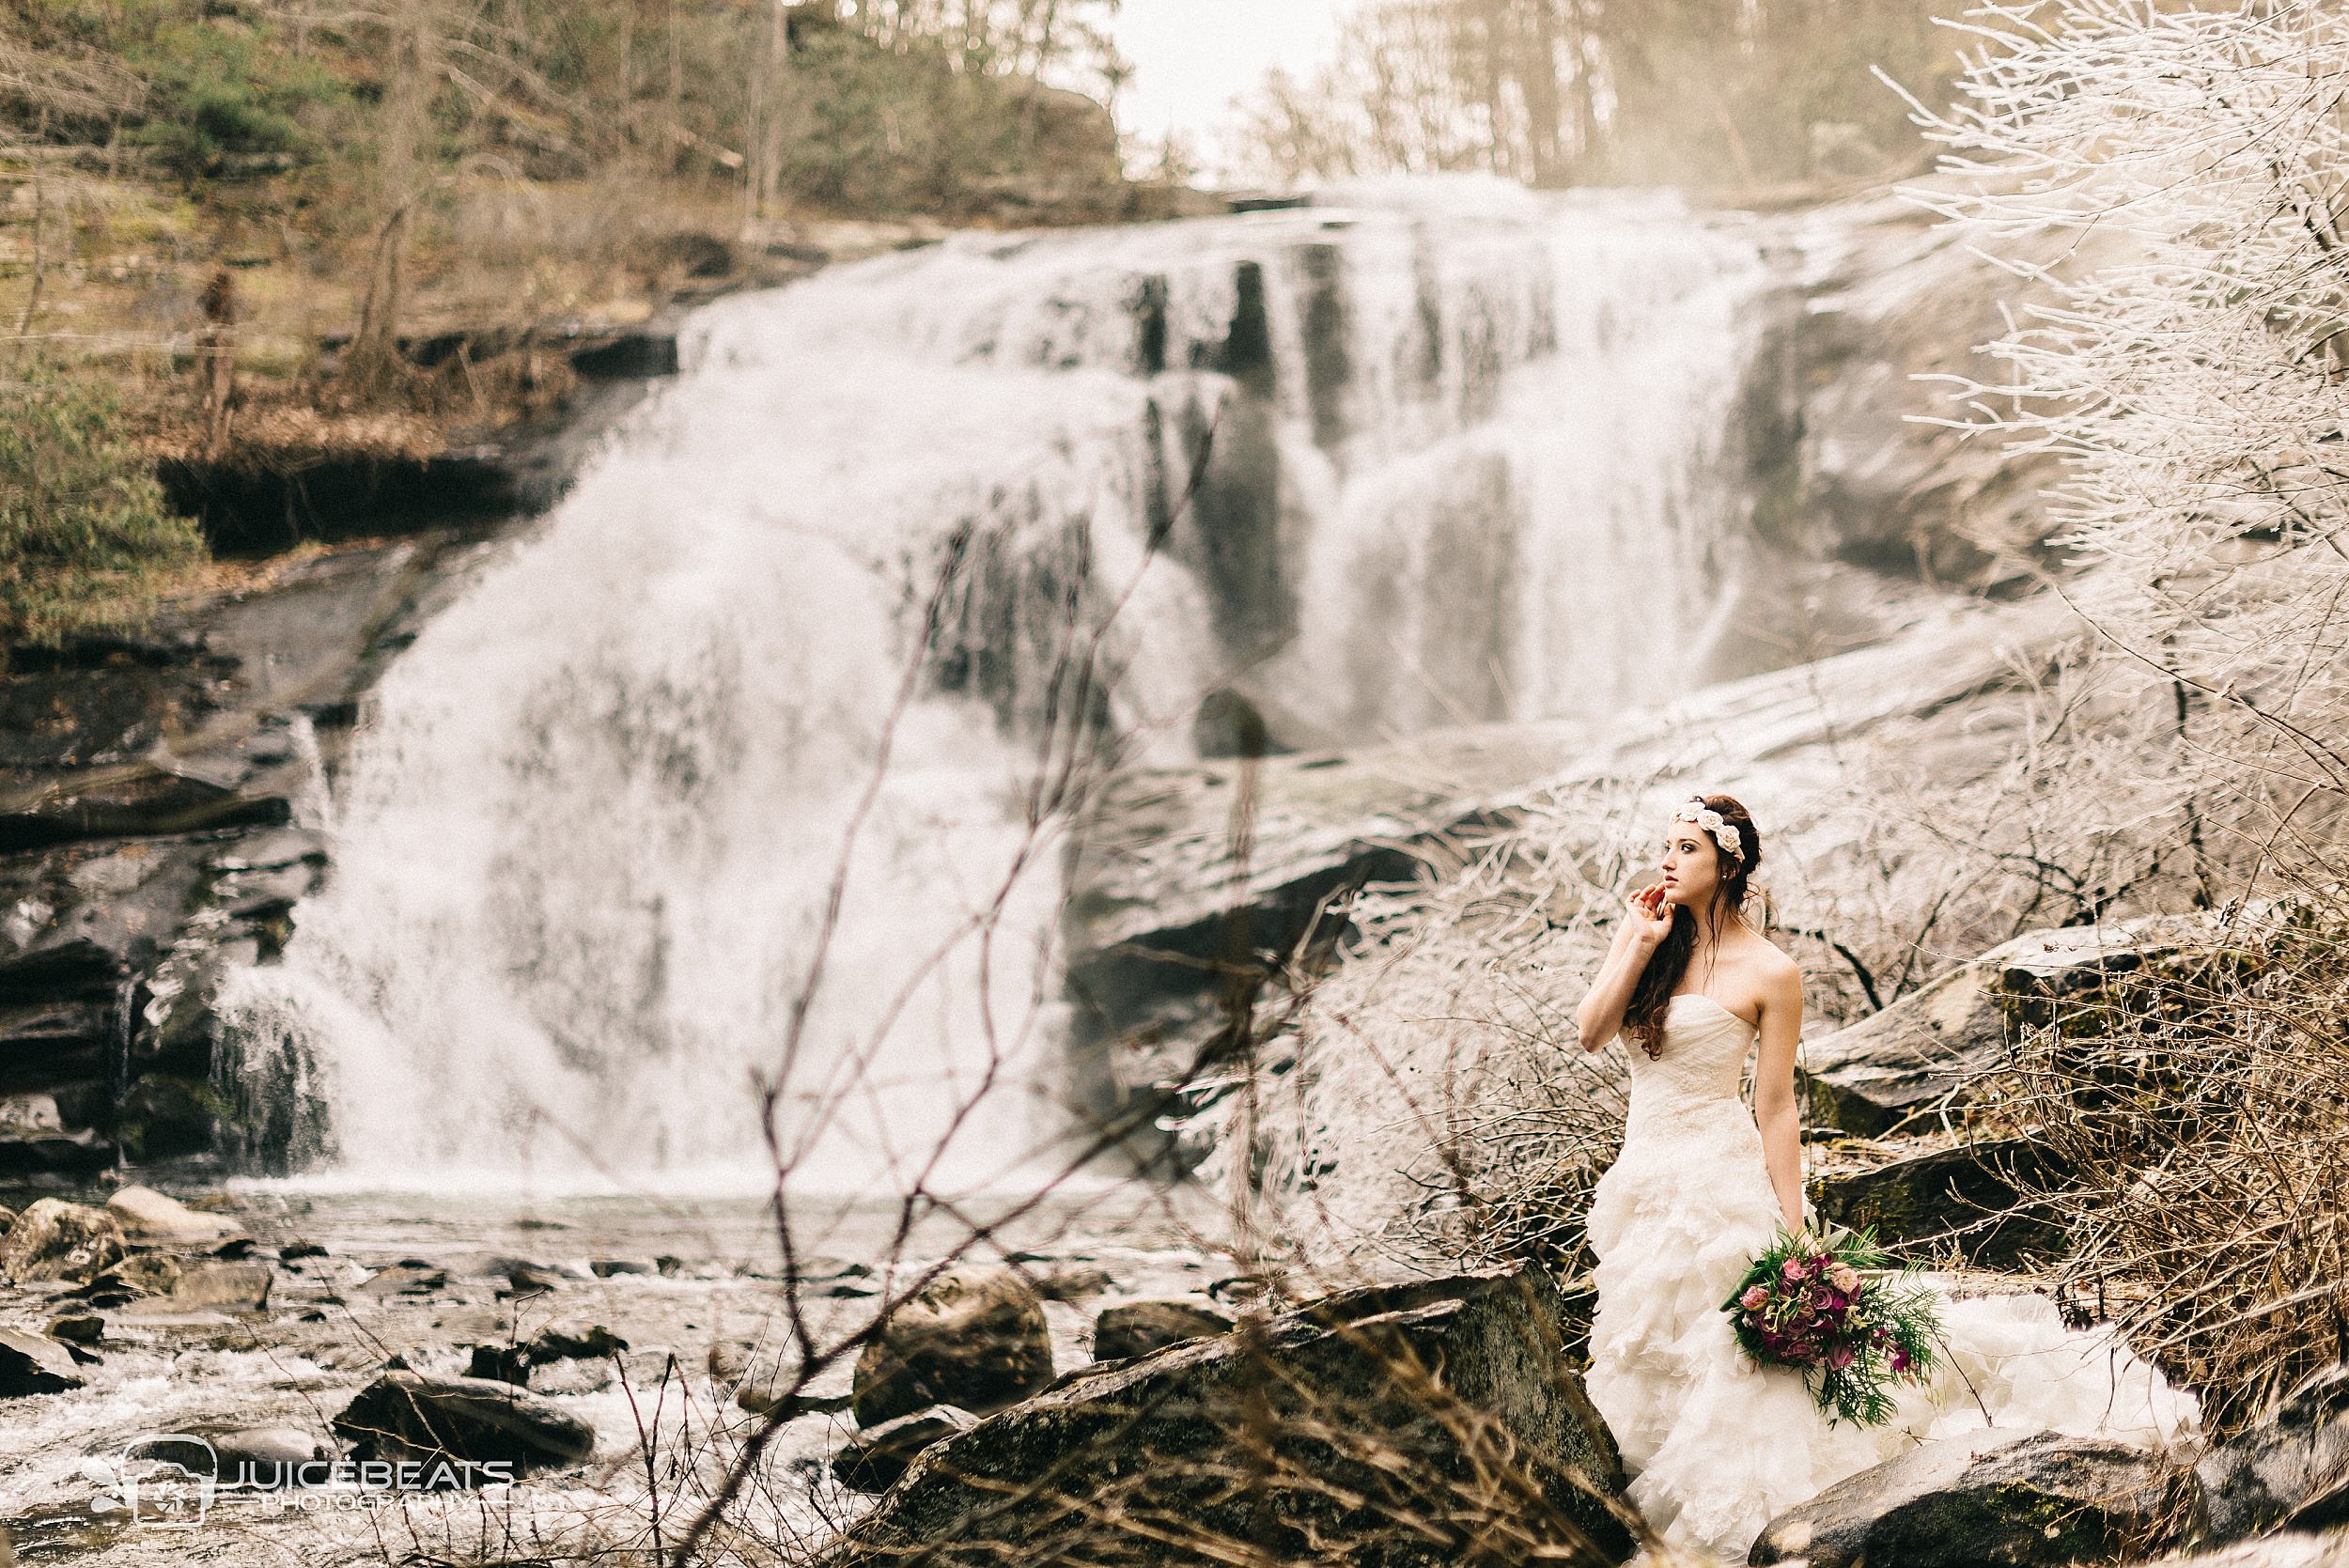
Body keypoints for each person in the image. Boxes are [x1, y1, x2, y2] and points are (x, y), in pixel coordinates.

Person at [1571, 794, 2199, 1560]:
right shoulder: (1648, 936)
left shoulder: (1772, 970)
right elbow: (1590, 1032)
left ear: (1729, 865)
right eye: (1664, 845)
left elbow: (1774, 1107)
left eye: (1686, 849)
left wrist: (1794, 1223)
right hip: (1644, 1174)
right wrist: (1638, 942)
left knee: (1733, 1352)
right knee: (1647, 1343)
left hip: (1716, 1176)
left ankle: (1744, 1515)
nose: (1667, 860)